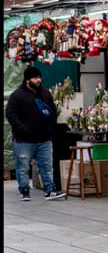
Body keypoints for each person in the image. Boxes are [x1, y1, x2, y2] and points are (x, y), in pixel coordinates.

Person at [5, 66, 65, 201]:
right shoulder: (17, 95)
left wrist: (50, 128)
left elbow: (52, 112)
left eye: (39, 77)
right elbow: (10, 114)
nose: (39, 80)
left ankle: (49, 190)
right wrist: (22, 129)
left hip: (44, 139)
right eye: (35, 78)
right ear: (27, 80)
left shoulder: (45, 93)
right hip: (23, 140)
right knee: (23, 167)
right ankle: (24, 191)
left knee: (47, 166)